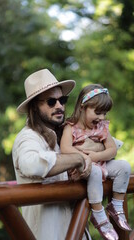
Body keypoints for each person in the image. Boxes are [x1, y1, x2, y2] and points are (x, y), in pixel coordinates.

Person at [12, 69, 92, 240]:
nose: (59, 106)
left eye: (62, 100)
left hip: (75, 232)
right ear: (34, 107)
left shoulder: (64, 137)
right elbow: (31, 164)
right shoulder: (28, 137)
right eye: (51, 102)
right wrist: (78, 159)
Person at [60, 84, 131, 240]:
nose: (102, 117)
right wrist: (84, 158)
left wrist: (95, 156)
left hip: (100, 163)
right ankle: (98, 214)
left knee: (124, 167)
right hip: (83, 169)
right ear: (83, 107)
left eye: (104, 113)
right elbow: (64, 148)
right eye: (97, 112)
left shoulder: (101, 127)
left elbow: (112, 150)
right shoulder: (70, 127)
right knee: (95, 171)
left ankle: (116, 205)